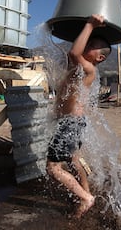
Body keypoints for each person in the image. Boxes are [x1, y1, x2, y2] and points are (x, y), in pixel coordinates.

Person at [46, 14, 111, 218]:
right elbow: (72, 51)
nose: (86, 45)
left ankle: (85, 198)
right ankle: (86, 191)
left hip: (70, 123)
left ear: (99, 57)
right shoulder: (78, 69)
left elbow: (74, 53)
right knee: (74, 159)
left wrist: (90, 25)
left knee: (53, 167)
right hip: (73, 122)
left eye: (91, 44)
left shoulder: (88, 68)